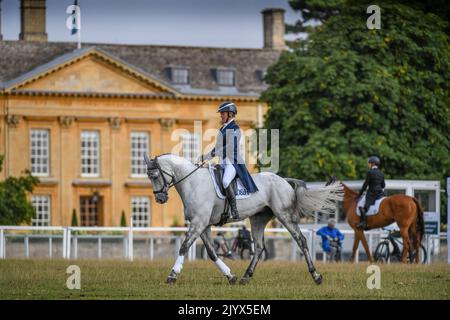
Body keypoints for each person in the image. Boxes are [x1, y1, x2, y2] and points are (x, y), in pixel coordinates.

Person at [200, 102, 258, 219]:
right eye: (221, 113)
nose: (221, 115)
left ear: (230, 114)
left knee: (226, 181)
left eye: (222, 113)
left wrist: (214, 153)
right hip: (223, 161)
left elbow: (230, 147)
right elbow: (218, 147)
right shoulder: (223, 129)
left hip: (233, 162)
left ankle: (234, 210)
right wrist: (205, 156)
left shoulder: (235, 128)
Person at [357, 156, 386, 229]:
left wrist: (359, 194)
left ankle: (363, 223)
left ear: (373, 164)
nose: (368, 164)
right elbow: (383, 185)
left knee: (361, 206)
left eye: (369, 163)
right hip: (380, 193)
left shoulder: (370, 172)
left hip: (372, 194)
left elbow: (365, 185)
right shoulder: (381, 173)